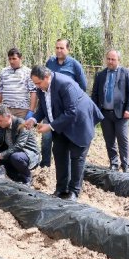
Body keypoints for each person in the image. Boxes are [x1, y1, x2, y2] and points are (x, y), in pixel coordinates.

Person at [25, 66, 104, 201]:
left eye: (38, 83)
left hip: (79, 123)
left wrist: (50, 126)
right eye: (35, 83)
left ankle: (74, 192)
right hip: (61, 124)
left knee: (77, 157)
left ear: (47, 77)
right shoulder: (41, 88)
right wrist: (33, 119)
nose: (36, 86)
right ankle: (61, 189)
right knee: (59, 153)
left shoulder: (65, 84)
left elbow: (72, 111)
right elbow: (44, 108)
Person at [42, 38, 88, 168]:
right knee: (46, 137)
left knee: (65, 139)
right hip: (51, 106)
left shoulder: (74, 65)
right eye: (57, 48)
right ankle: (45, 165)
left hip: (67, 109)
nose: (59, 50)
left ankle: (66, 165)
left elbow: (83, 87)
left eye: (62, 48)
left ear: (68, 49)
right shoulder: (50, 63)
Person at [91, 49, 129, 172]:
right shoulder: (100, 75)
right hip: (104, 113)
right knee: (109, 140)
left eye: (113, 59)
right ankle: (114, 163)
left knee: (123, 139)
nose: (110, 62)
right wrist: (95, 110)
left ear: (118, 60)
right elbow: (94, 94)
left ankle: (125, 164)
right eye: (108, 59)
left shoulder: (126, 73)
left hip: (121, 113)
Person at [0, 106, 39, 185]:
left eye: (1, 121)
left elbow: (18, 146)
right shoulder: (1, 127)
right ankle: (14, 176)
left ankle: (28, 177)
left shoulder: (21, 124)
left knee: (15, 157)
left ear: (9, 116)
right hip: (11, 152)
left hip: (28, 153)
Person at [0, 48, 37, 119]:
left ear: (20, 58)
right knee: (6, 130)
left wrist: (31, 111)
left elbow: (33, 92)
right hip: (6, 110)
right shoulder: (4, 72)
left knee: (21, 130)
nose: (11, 61)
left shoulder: (28, 72)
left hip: (22, 110)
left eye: (14, 59)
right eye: (10, 59)